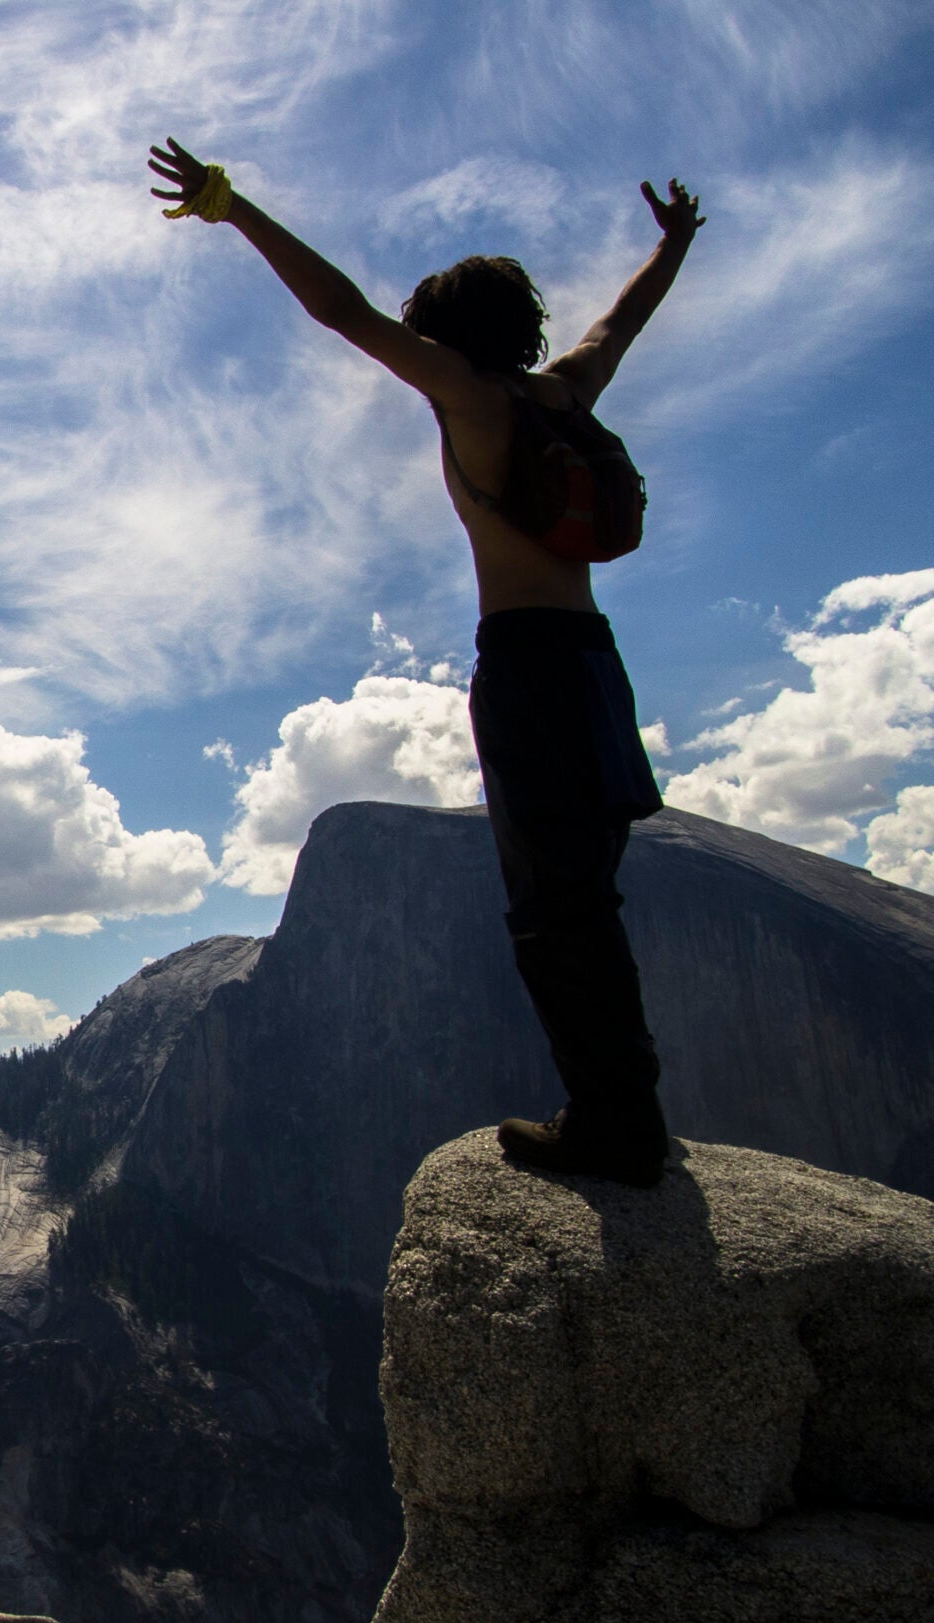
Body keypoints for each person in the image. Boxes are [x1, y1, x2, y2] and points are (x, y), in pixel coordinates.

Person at [146, 138, 703, 1187]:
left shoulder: (476, 405)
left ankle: (612, 1123)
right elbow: (616, 324)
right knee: (589, 892)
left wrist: (235, 208)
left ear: (442, 337)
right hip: (594, 662)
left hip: (528, 667)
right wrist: (669, 247)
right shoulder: (563, 394)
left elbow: (342, 312)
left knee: (550, 908)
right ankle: (624, 1103)